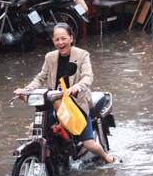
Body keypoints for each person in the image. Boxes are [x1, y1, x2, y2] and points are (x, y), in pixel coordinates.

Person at [14, 23, 119, 164]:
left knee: (88, 142)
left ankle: (106, 157)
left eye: (63, 38)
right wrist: (26, 90)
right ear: (53, 41)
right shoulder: (50, 57)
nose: (60, 42)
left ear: (71, 38)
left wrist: (77, 87)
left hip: (76, 104)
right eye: (56, 39)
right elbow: (40, 77)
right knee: (35, 130)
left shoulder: (82, 55)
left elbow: (88, 77)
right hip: (56, 103)